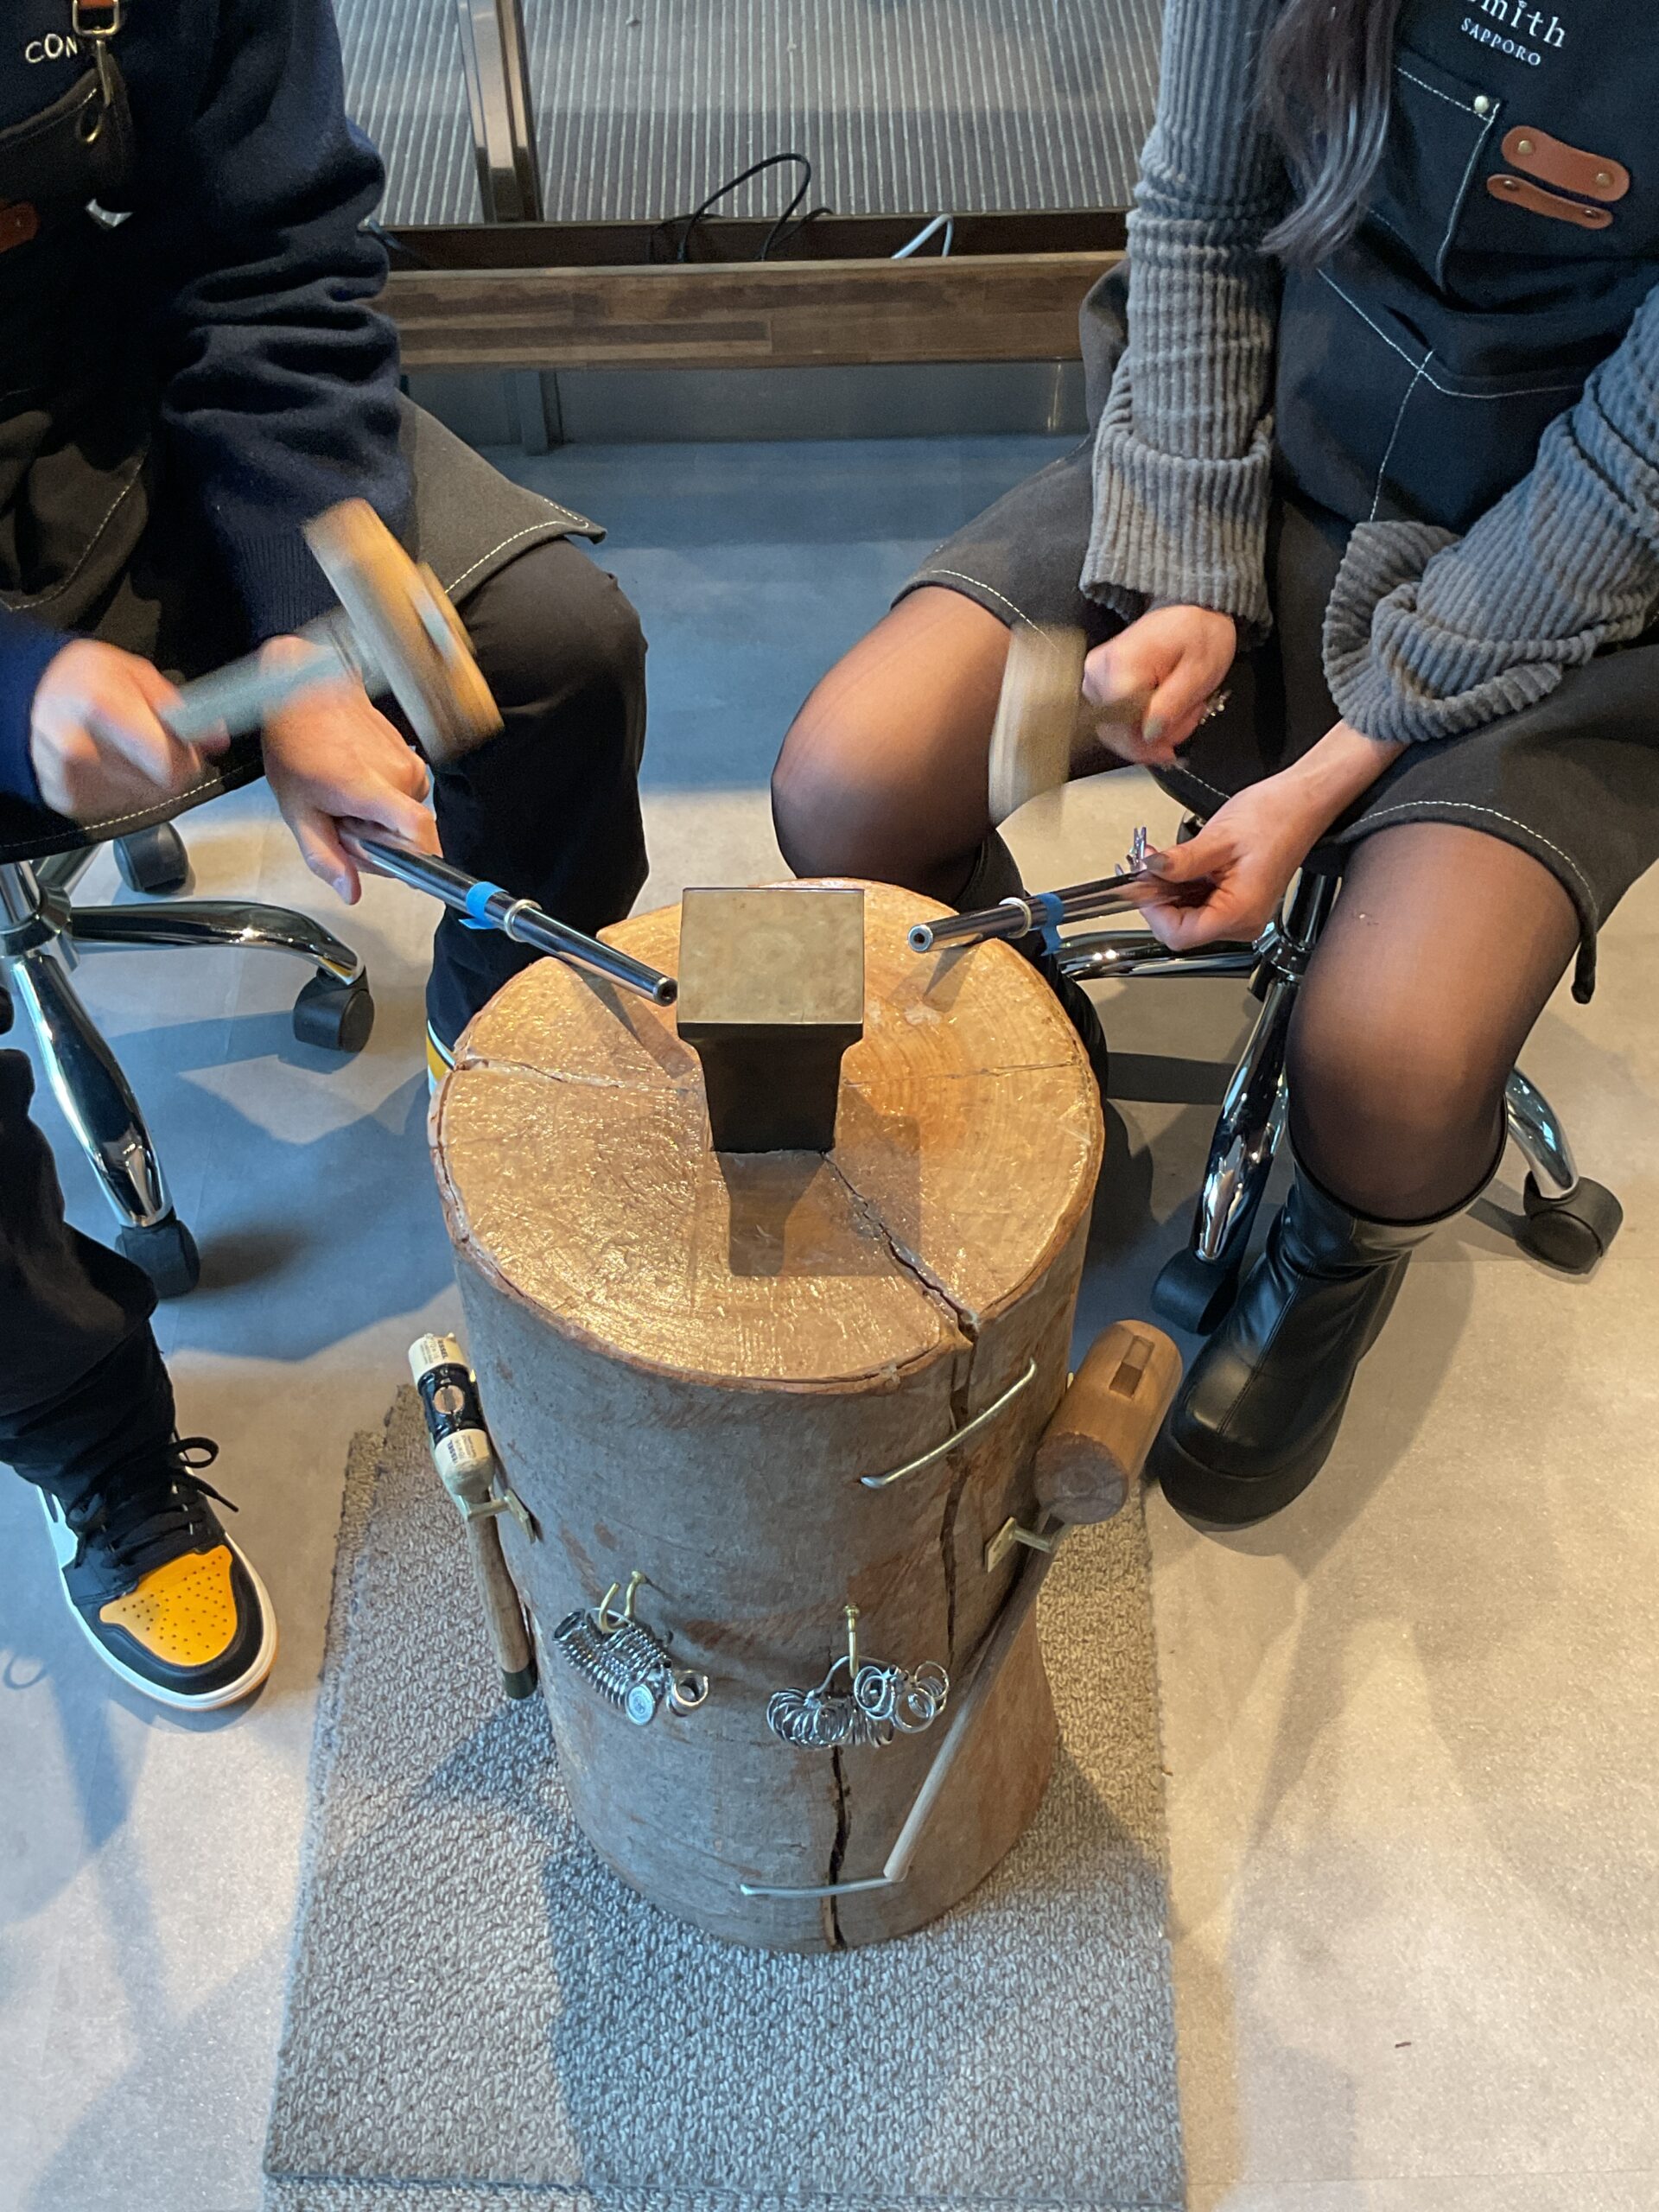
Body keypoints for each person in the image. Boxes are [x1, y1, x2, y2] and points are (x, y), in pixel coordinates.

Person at [772, 0, 1657, 1528]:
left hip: (1558, 583)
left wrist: (1330, 771)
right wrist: (1185, 567)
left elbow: (1625, 478)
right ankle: (1025, 1045)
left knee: (1390, 1061)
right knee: (853, 783)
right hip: (1256, 455)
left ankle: (1329, 1256)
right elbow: (1199, 216)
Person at [0, 0, 648, 1707]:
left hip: (126, 397)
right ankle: (94, 1446)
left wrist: (305, 633)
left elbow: (272, 257)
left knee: (557, 645)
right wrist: (13, 687)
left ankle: (496, 1047)